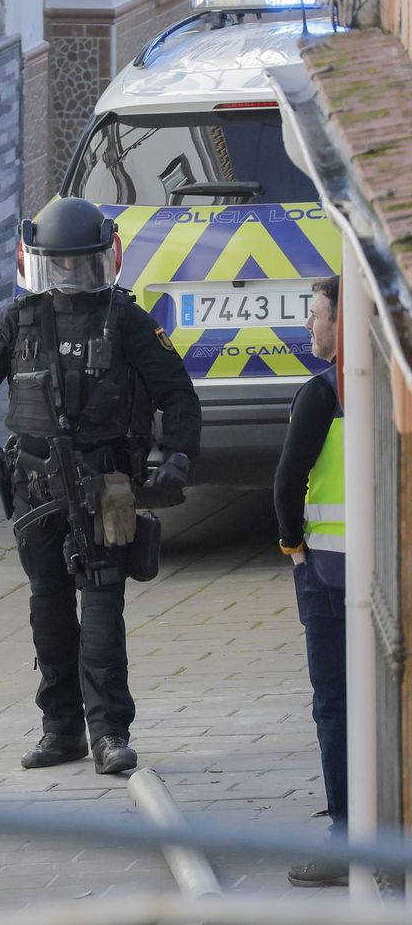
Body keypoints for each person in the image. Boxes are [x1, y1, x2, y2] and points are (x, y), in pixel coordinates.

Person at [0, 197, 201, 775]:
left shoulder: (127, 321)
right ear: (42, 263)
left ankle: (108, 733)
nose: (72, 274)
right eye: (62, 263)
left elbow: (177, 393)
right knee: (48, 607)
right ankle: (61, 729)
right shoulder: (15, 321)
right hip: (33, 487)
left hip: (105, 485)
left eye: (82, 263)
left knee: (101, 605)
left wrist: (176, 454)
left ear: (103, 259)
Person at [274, 275, 347, 888]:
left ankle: (349, 839)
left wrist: (294, 548)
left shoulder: (321, 394)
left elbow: (286, 483)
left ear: (343, 324)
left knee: (336, 705)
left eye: (317, 314)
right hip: (377, 576)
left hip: (327, 579)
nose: (309, 325)